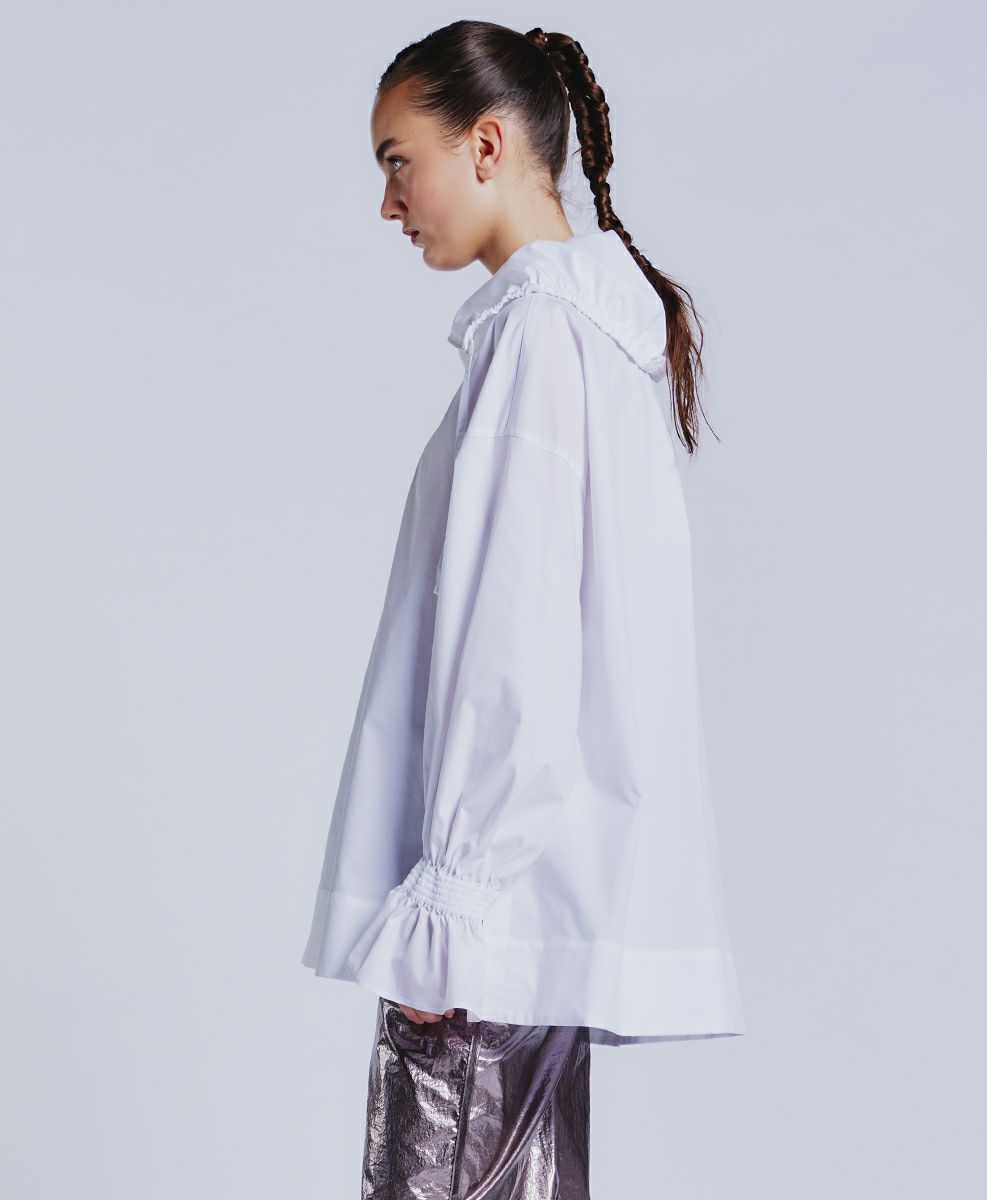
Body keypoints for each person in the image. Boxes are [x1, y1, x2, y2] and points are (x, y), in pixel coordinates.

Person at [301, 19, 747, 1198]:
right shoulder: (592, 337)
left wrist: (452, 899)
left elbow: (515, 638)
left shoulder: (539, 336)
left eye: (399, 161)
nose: (388, 203)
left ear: (486, 145)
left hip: (486, 929)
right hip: (527, 919)